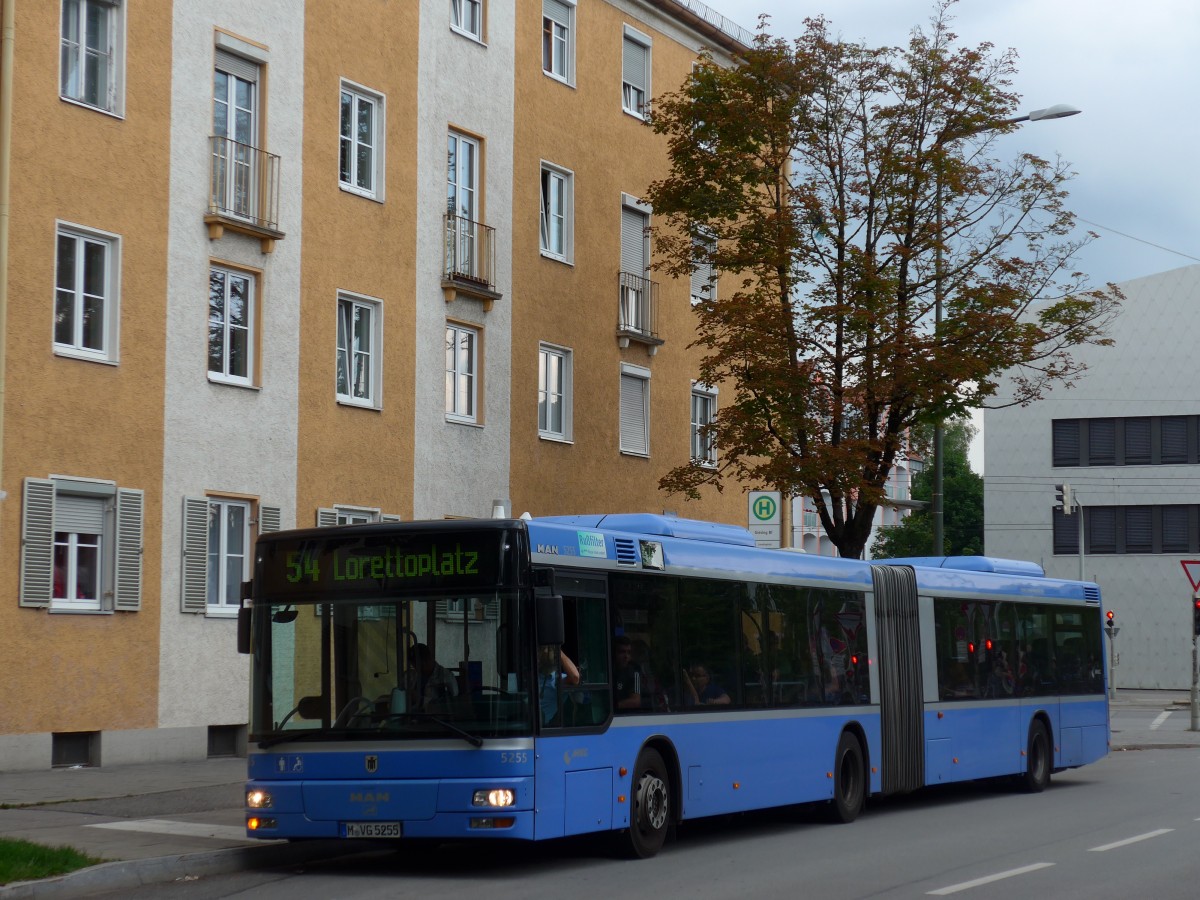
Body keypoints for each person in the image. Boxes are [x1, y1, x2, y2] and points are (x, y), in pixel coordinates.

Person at [405, 643, 458, 711]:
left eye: (418, 665)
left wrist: (421, 700)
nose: (416, 669)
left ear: (427, 660)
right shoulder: (409, 676)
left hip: (437, 719)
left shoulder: (446, 677)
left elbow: (452, 705)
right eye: (414, 666)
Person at [538, 646, 580, 725]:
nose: (538, 652)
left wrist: (557, 647)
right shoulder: (531, 676)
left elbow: (575, 677)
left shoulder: (558, 680)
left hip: (539, 726)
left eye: (544, 649)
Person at [612, 635, 644, 710]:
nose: (626, 656)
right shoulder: (609, 671)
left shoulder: (634, 672)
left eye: (629, 652)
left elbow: (636, 701)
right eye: (622, 652)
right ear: (614, 653)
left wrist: (612, 706)